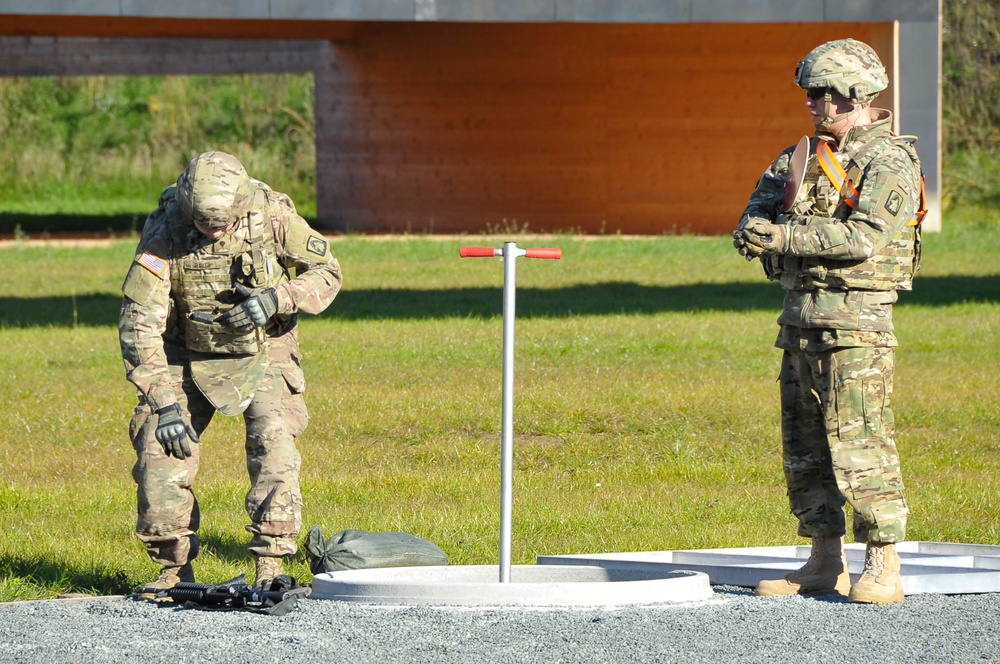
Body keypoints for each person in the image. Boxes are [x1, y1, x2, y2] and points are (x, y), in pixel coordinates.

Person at [732, 39, 925, 604]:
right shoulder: (801, 157)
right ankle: (823, 559)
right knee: (805, 448)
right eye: (811, 94)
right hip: (798, 324)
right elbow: (756, 212)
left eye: (826, 95)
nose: (815, 105)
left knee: (860, 444)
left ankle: (883, 565)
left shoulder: (888, 163)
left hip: (856, 329)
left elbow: (865, 238)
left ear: (857, 96)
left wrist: (784, 237)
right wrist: (756, 231)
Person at [119, 151, 342, 593]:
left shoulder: (272, 215)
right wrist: (163, 404)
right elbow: (139, 322)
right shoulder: (166, 231)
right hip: (186, 353)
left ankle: (272, 562)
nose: (215, 232)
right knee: (158, 450)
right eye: (205, 224)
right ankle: (172, 570)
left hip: (265, 349)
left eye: (223, 223)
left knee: (274, 443)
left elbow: (328, 271)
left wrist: (278, 298)